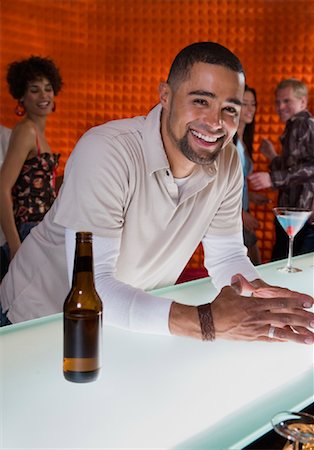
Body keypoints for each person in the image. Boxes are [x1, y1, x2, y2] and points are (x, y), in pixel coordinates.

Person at [0, 42, 313, 345]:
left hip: (122, 318)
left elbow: (228, 256)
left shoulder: (228, 161)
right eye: (201, 101)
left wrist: (261, 298)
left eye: (229, 108)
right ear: (166, 96)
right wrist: (206, 322)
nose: (215, 122)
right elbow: (91, 288)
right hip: (34, 319)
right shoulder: (106, 150)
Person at [0, 56, 63, 280]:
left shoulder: (39, 134)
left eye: (48, 88)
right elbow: (2, 188)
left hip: (40, 232)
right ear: (22, 97)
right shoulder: (26, 131)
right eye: (34, 90)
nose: (44, 95)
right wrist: (15, 245)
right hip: (26, 232)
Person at [249, 79, 314, 260]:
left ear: (302, 101)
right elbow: (296, 168)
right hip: (294, 215)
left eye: (287, 101)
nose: (280, 106)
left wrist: (272, 179)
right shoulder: (293, 125)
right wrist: (272, 156)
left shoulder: (305, 124)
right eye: (278, 102)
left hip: (304, 217)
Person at [233, 85, 267, 265]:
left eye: (252, 104)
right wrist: (239, 214)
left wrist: (250, 196)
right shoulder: (228, 140)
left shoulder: (243, 140)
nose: (249, 109)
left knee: (254, 265)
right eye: (244, 103)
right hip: (232, 215)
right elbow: (218, 185)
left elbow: (238, 182)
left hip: (243, 210)